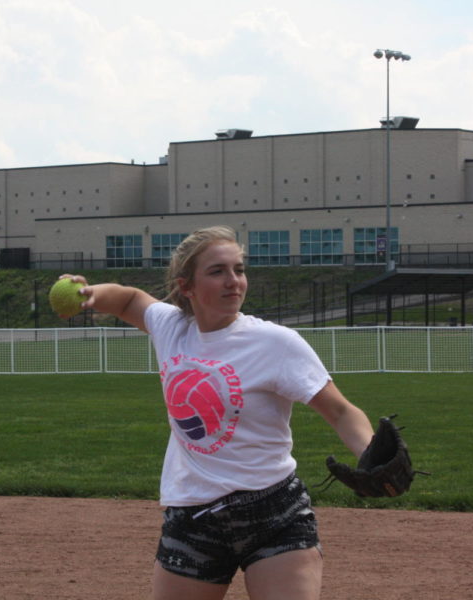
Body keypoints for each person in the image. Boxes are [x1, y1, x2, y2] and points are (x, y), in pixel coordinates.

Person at [61, 225, 375, 600]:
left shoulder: (275, 343)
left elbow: (340, 411)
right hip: (193, 515)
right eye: (218, 271)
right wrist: (91, 294)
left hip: (274, 512)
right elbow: (128, 300)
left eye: (239, 269)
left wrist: (371, 454)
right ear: (186, 287)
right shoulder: (172, 328)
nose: (234, 281)